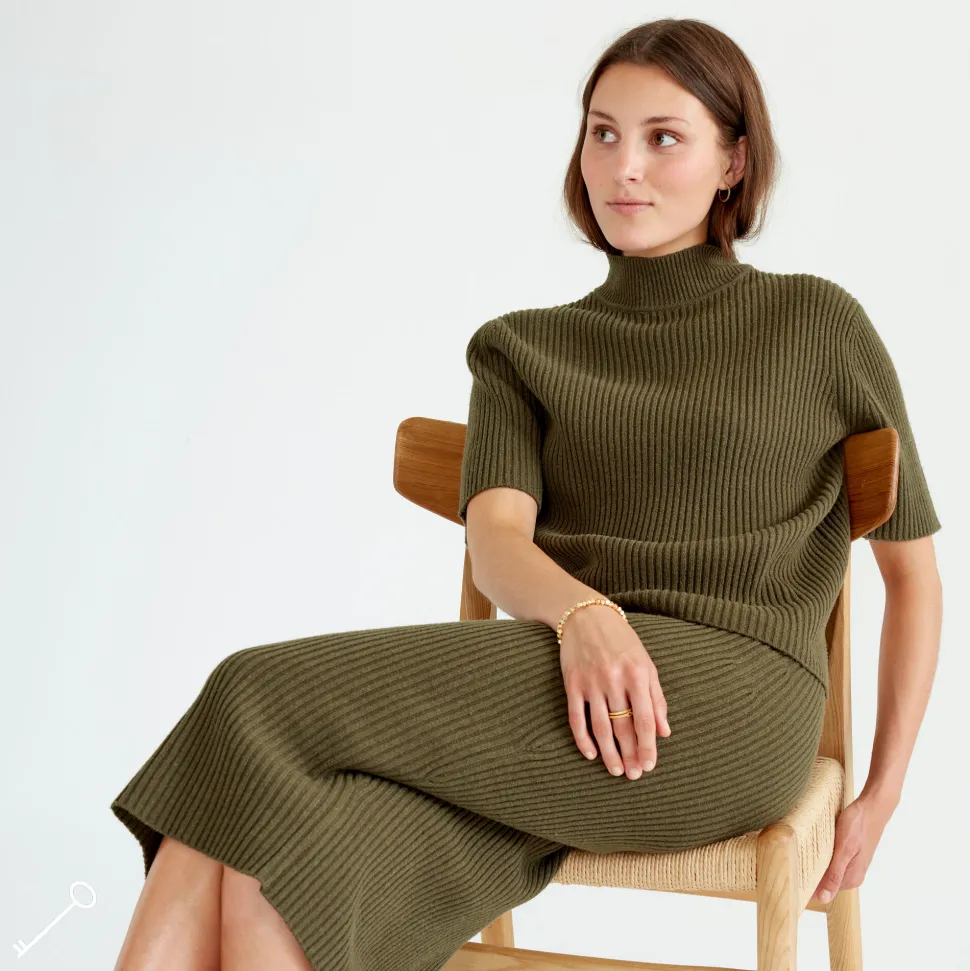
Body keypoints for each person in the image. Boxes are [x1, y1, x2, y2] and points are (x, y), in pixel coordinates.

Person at [109, 18, 943, 971]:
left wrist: (882, 794)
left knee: (252, 695)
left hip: (728, 708)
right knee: (269, 859)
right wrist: (585, 615)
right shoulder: (521, 348)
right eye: (603, 133)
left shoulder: (817, 324)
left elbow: (913, 579)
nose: (625, 166)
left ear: (734, 162)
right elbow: (497, 539)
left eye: (664, 137)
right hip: (567, 699)